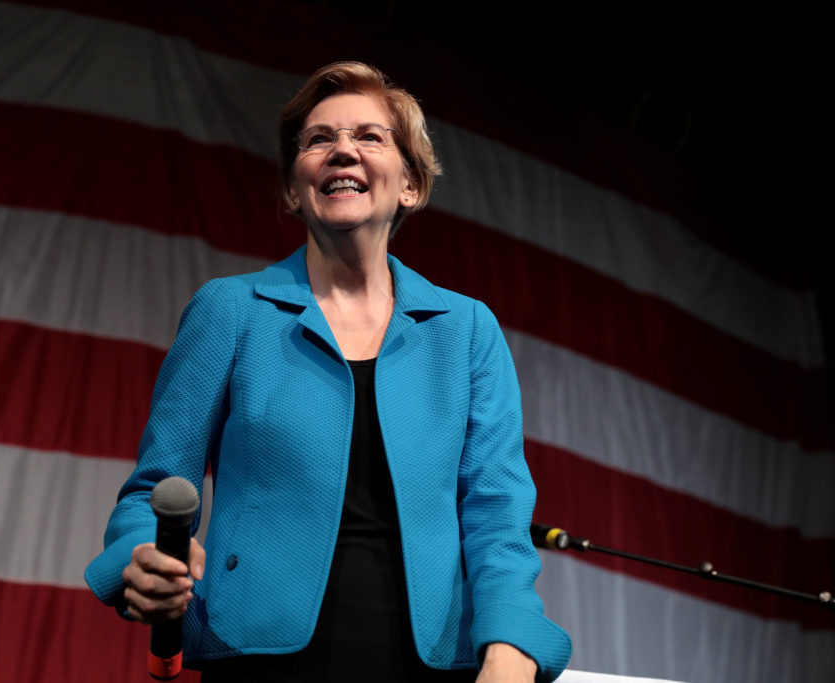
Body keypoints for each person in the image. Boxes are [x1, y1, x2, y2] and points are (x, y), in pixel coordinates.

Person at [85, 61, 571, 682]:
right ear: (294, 189)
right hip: (260, 657)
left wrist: (508, 647)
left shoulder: (467, 330)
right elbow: (153, 489)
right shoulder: (231, 311)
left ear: (411, 186)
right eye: (319, 140)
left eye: (370, 136)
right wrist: (137, 557)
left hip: (431, 663)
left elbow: (498, 514)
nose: (343, 150)